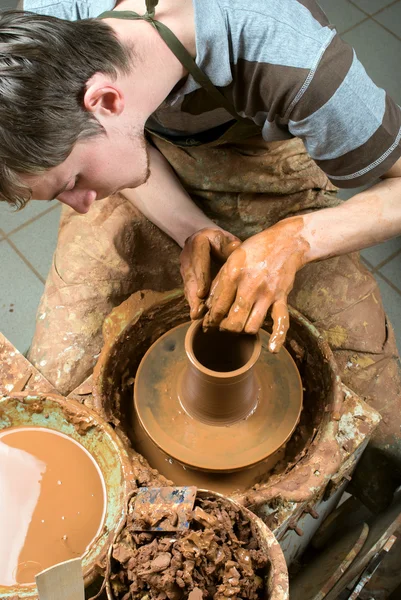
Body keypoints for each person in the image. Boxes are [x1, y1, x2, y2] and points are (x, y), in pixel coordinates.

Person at [1, 0, 401, 509]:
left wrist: (296, 240)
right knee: (61, 381)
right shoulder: (49, 19)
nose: (78, 206)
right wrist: (192, 229)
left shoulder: (296, 59)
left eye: (73, 183)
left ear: (104, 99)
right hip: (146, 166)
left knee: (382, 424)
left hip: (270, 169)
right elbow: (122, 146)